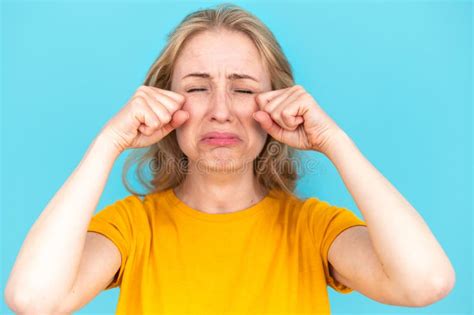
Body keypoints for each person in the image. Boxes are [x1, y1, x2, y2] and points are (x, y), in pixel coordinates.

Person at [5, 3, 455, 314]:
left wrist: (333, 140)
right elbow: (33, 299)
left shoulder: (312, 229)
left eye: (243, 89)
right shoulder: (132, 229)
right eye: (197, 88)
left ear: (277, 105)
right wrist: (109, 140)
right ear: (164, 105)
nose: (220, 109)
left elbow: (426, 283)